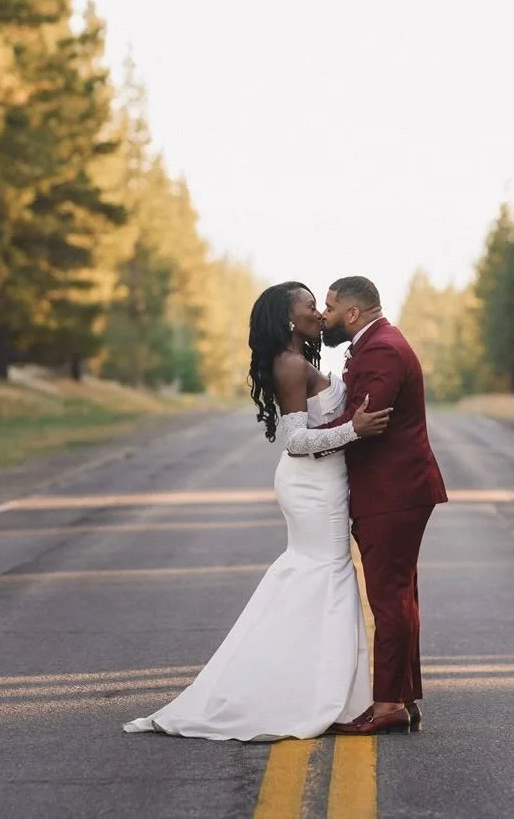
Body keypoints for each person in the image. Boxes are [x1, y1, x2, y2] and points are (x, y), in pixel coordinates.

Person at [122, 280, 390, 741]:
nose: (320, 314)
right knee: (326, 574)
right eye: (312, 307)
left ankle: (320, 689)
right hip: (310, 484)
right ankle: (312, 694)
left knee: (318, 576)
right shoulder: (289, 365)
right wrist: (355, 432)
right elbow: (294, 441)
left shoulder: (301, 360)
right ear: (290, 319)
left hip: (324, 481)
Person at [318, 275, 447, 736]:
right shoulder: (377, 343)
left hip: (393, 492)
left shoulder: (382, 350)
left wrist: (304, 436)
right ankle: (403, 698)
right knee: (401, 595)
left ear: (352, 313)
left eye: (329, 307)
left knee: (389, 598)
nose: (323, 315)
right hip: (396, 490)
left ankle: (388, 702)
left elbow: (361, 420)